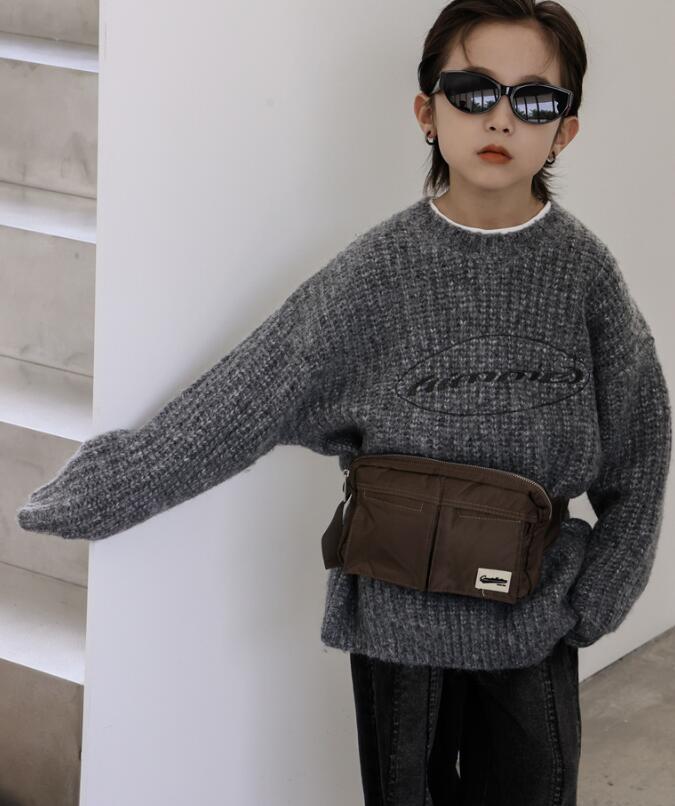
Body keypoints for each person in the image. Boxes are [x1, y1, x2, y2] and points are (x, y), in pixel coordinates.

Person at [16, 1, 671, 804]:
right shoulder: (378, 272)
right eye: (472, 91)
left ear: (563, 130)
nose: (499, 117)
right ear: (426, 112)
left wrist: (596, 598)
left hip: (533, 617)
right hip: (396, 622)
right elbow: (248, 397)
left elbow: (642, 445)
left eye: (533, 99)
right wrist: (106, 487)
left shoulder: (583, 275)